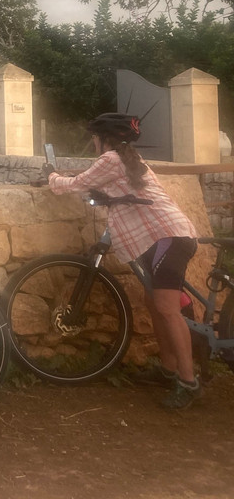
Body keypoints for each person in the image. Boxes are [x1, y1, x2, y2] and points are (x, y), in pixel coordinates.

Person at [45, 113, 200, 409]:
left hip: (167, 236)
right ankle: (167, 369)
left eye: (94, 137)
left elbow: (76, 183)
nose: (93, 142)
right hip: (166, 236)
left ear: (103, 139)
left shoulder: (110, 159)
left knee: (167, 307)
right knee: (154, 302)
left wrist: (51, 175)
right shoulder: (127, 160)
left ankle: (189, 381)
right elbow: (107, 187)